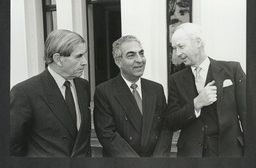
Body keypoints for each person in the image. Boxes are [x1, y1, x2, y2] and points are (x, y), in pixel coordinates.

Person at [167, 22, 246, 157]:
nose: (177, 53)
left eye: (181, 46)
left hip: (230, 153)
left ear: (198, 42)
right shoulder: (175, 80)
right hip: (192, 156)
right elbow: (172, 122)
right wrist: (196, 104)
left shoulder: (233, 70)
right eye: (174, 48)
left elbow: (249, 116)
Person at [10, 29, 91, 157]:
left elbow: (82, 139)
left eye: (84, 55)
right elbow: (13, 146)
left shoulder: (83, 86)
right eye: (79, 56)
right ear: (58, 59)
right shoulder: (25, 92)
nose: (85, 61)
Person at [93, 35, 173, 157]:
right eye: (131, 55)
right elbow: (107, 134)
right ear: (118, 62)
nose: (140, 60)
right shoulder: (104, 91)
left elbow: (165, 127)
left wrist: (158, 160)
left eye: (141, 53)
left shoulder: (156, 89)